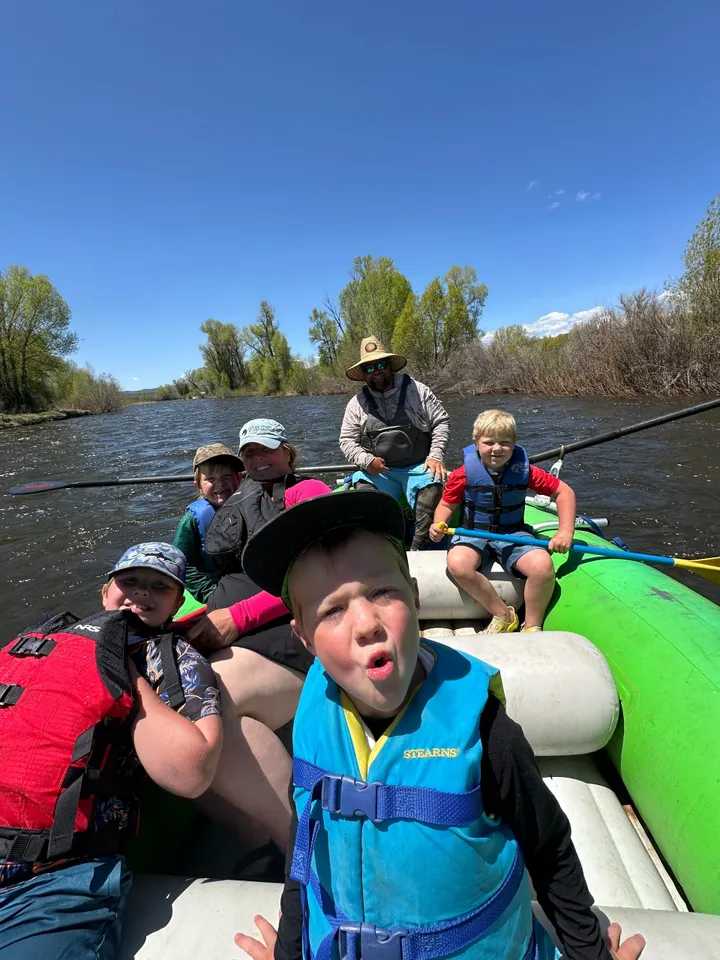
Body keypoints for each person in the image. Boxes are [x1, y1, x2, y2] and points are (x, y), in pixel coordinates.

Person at [234, 491, 645, 960]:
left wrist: (591, 953)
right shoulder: (312, 720)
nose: (366, 622)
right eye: (332, 610)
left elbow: (549, 847)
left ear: (414, 594)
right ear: (304, 637)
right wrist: (291, 950)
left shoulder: (488, 731)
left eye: (382, 592)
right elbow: (304, 849)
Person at [0, 542, 222, 960]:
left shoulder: (171, 655)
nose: (141, 593)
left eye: (160, 587)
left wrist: (122, 672)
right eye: (130, 581)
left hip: (49, 881)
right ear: (105, 592)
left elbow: (193, 770)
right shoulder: (40, 640)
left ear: (176, 605)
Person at [185, 418, 331, 856]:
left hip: (287, 636)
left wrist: (237, 618)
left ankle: (297, 844)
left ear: (288, 453)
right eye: (249, 453)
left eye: (266, 450)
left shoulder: (308, 492)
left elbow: (312, 573)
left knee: (210, 703)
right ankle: (251, 829)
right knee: (176, 703)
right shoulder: (235, 502)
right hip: (230, 628)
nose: (257, 458)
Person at [430, 409, 577, 632]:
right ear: (476, 443)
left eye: (504, 442)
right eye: (489, 442)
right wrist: (439, 523)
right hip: (473, 533)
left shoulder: (527, 472)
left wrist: (565, 532)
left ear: (514, 443)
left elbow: (564, 492)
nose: (496, 448)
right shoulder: (462, 474)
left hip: (513, 533)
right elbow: (446, 505)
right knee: (459, 564)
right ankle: (503, 614)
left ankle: (533, 625)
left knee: (542, 566)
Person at [339, 336, 450, 549]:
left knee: (432, 494)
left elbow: (441, 421)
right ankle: (385, 548)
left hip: (419, 467)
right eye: (369, 368)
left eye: (381, 364)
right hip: (381, 472)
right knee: (365, 497)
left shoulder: (417, 390)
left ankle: (418, 548)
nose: (376, 370)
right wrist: (367, 460)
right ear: (363, 373)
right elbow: (346, 440)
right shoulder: (356, 403)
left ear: (390, 365)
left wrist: (435, 455)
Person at [173, 443, 244, 603]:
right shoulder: (191, 520)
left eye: (227, 476)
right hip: (213, 586)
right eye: (210, 479)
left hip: (245, 581)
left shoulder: (250, 506)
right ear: (198, 485)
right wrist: (210, 594)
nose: (219, 484)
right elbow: (183, 563)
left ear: (238, 478)